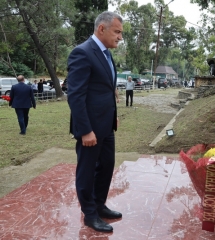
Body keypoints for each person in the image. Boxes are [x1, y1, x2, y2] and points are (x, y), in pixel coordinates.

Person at [67, 11, 123, 232]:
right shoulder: (82, 53)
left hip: (106, 125)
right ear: (102, 29)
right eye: (117, 32)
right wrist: (85, 130)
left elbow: (105, 90)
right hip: (90, 128)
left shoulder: (107, 54)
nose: (120, 37)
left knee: (107, 166)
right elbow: (76, 96)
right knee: (87, 170)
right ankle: (89, 214)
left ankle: (99, 205)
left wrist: (112, 114)